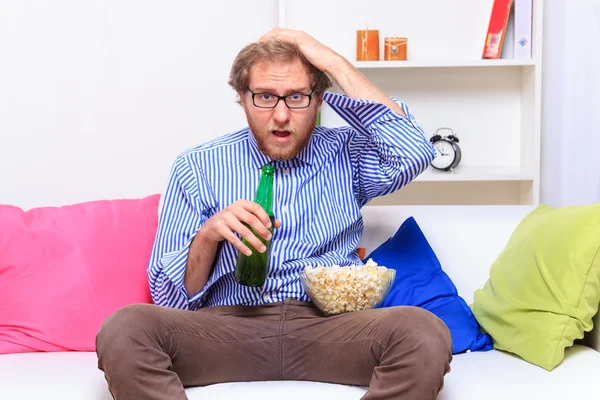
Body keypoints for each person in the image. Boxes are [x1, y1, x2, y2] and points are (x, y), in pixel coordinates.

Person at [96, 28, 452, 400]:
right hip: (225, 328)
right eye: (265, 96)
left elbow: (413, 150)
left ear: (318, 101)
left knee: (423, 331)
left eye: (297, 96)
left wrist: (327, 58)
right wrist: (208, 235)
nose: (281, 115)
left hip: (330, 329)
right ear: (241, 98)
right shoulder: (197, 166)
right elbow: (168, 300)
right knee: (126, 328)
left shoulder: (346, 154)